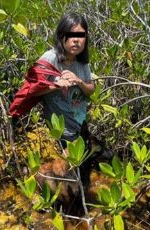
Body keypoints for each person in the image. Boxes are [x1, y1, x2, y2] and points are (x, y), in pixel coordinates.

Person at [36, 13, 95, 147]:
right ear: (61, 36)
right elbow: (31, 90)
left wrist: (79, 81)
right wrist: (56, 85)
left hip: (80, 128)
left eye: (80, 35)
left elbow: (91, 90)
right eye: (71, 35)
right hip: (59, 132)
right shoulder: (49, 58)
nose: (76, 40)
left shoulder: (82, 62)